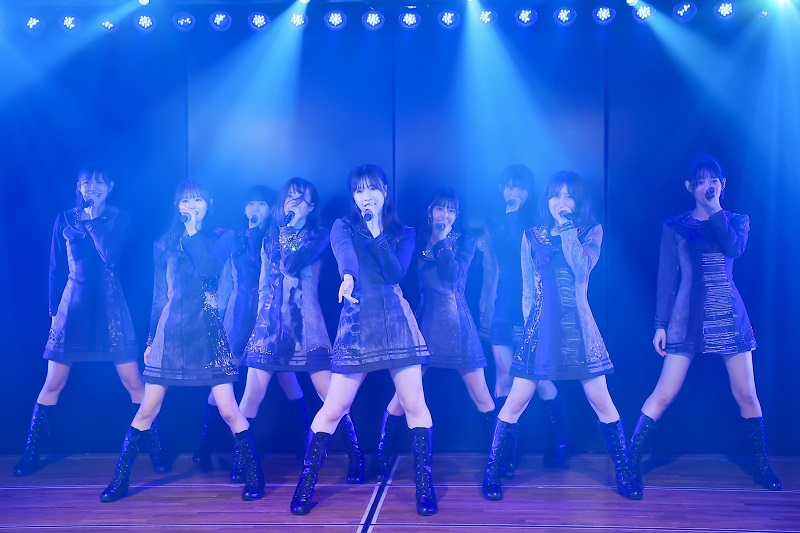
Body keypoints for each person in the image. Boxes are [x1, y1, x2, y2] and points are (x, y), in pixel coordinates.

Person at [99, 180, 264, 503]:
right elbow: (159, 296)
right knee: (147, 408)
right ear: (177, 206)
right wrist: (150, 339)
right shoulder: (163, 243)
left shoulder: (223, 237)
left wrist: (191, 234)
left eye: (198, 200)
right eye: (186, 200)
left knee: (229, 409)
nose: (191, 205)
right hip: (170, 336)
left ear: (209, 204)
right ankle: (119, 480)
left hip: (209, 334)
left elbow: (209, 269)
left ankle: (256, 475)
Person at [481, 171, 642, 501]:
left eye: (569, 196)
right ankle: (492, 473)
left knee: (601, 400)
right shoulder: (532, 235)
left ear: (578, 201)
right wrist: (530, 330)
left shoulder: (590, 232)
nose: (562, 201)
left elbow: (581, 268)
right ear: (548, 199)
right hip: (540, 331)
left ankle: (625, 473)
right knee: (516, 400)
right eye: (556, 195)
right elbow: (528, 290)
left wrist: (567, 227)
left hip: (579, 331)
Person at [627, 155, 781, 493]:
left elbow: (734, 249)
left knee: (746, 393)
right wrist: (660, 324)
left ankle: (762, 465)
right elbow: (667, 278)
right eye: (700, 181)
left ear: (722, 184)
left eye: (713, 180)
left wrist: (715, 211)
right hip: (686, 318)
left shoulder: (736, 221)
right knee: (664, 393)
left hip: (728, 316)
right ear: (689, 186)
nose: (707, 186)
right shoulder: (675, 226)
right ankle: (630, 465)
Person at [289, 164, 437, 517]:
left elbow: (395, 273)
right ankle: (305, 485)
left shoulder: (405, 233)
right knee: (334, 406)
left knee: (414, 403)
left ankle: (424, 486)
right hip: (358, 322)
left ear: (385, 191)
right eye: (358, 190)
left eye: (371, 189)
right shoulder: (343, 225)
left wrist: (376, 231)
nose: (365, 196)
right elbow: (345, 254)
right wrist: (348, 278)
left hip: (396, 322)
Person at [13, 165, 167, 477]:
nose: (91, 187)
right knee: (53, 382)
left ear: (110, 186)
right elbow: (55, 268)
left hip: (111, 308)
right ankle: (30, 453)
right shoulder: (64, 218)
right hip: (73, 309)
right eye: (86, 182)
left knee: (133, 382)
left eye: (98, 182)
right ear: (78, 186)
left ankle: (156, 449)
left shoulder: (120, 217)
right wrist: (53, 312)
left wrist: (93, 220)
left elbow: (109, 254)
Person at [237, 178, 364, 484]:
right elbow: (263, 283)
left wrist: (287, 229)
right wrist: (259, 323)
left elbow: (292, 263)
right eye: (288, 198)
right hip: (270, 328)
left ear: (311, 206)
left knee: (331, 396)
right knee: (250, 397)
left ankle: (356, 458)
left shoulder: (319, 235)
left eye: (300, 199)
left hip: (307, 326)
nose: (292, 203)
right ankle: (243, 461)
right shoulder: (270, 237)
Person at [372, 189, 494, 481]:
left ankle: (498, 461)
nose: (445, 215)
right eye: (440, 209)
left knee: (481, 395)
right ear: (430, 211)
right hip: (425, 325)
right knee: (403, 396)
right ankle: (381, 458)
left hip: (458, 327)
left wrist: (441, 242)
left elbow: (454, 277)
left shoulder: (465, 242)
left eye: (451, 210)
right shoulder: (415, 240)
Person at [193, 185, 312, 474]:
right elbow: (224, 280)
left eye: (261, 204)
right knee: (223, 379)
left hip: (270, 317)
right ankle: (206, 446)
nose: (255, 209)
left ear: (271, 209)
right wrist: (218, 317)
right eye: (251, 204)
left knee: (286, 377)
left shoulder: (277, 236)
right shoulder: (234, 238)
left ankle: (304, 445)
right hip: (238, 316)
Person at [481, 165, 566, 475]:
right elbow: (497, 260)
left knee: (540, 379)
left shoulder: (538, 223)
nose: (513, 193)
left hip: (532, 305)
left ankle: (559, 443)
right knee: (503, 377)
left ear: (529, 192)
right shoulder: (494, 221)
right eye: (509, 187)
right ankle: (505, 454)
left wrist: (516, 216)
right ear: (501, 189)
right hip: (503, 306)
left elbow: (528, 255)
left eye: (520, 188)